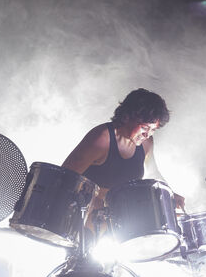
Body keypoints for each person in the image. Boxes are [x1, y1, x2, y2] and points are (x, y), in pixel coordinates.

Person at [62, 88, 185, 233]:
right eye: (145, 127)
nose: (147, 134)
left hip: (121, 220)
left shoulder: (146, 143)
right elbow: (65, 177)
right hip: (86, 220)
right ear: (127, 116)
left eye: (153, 130)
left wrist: (170, 194)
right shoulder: (102, 138)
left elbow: (152, 173)